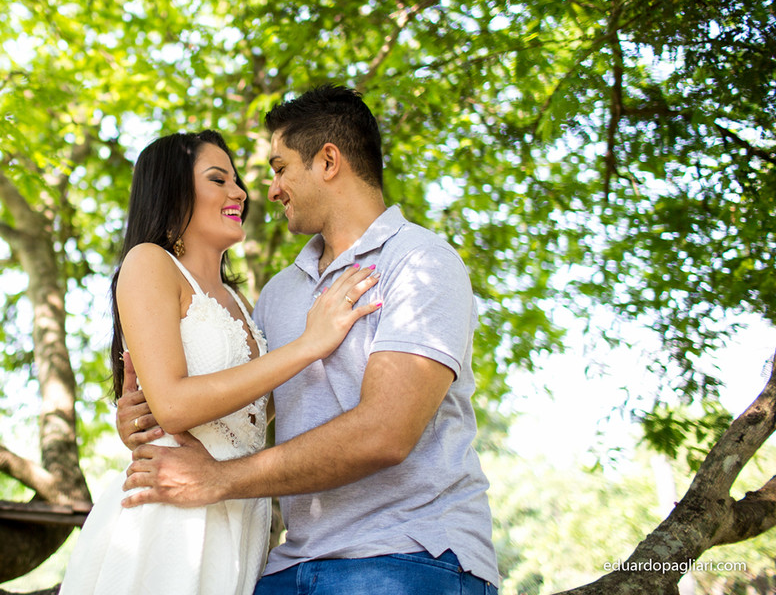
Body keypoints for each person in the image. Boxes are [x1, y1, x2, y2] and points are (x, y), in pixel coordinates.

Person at [118, 86, 500, 594]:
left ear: (327, 161)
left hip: (410, 554)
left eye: (279, 168)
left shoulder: (420, 262)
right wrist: (150, 422)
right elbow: (248, 409)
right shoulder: (279, 294)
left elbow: (384, 433)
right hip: (286, 566)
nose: (267, 191)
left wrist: (219, 478)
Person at [60, 130, 380, 595]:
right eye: (218, 179)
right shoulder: (149, 262)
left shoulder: (243, 303)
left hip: (238, 516)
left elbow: (251, 407)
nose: (240, 193)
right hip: (168, 516)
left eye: (236, 181)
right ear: (172, 190)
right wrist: (309, 344)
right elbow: (171, 406)